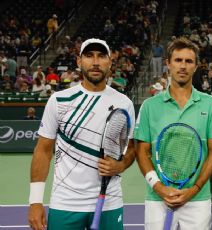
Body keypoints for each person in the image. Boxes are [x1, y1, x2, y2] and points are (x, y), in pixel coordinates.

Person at [28, 38, 136, 230]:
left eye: (101, 56)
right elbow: (43, 151)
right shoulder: (58, 100)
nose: (95, 62)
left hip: (109, 203)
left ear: (110, 62)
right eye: (89, 56)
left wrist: (120, 165)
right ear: (79, 61)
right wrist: (35, 200)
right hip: (65, 202)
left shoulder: (124, 103)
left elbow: (131, 149)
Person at [134, 37, 212, 229]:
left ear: (196, 66)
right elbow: (142, 152)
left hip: (197, 199)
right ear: (168, 64)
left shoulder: (211, 105)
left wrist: (194, 189)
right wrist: (159, 188)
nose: (183, 66)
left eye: (188, 61)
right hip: (158, 198)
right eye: (178, 60)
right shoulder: (149, 107)